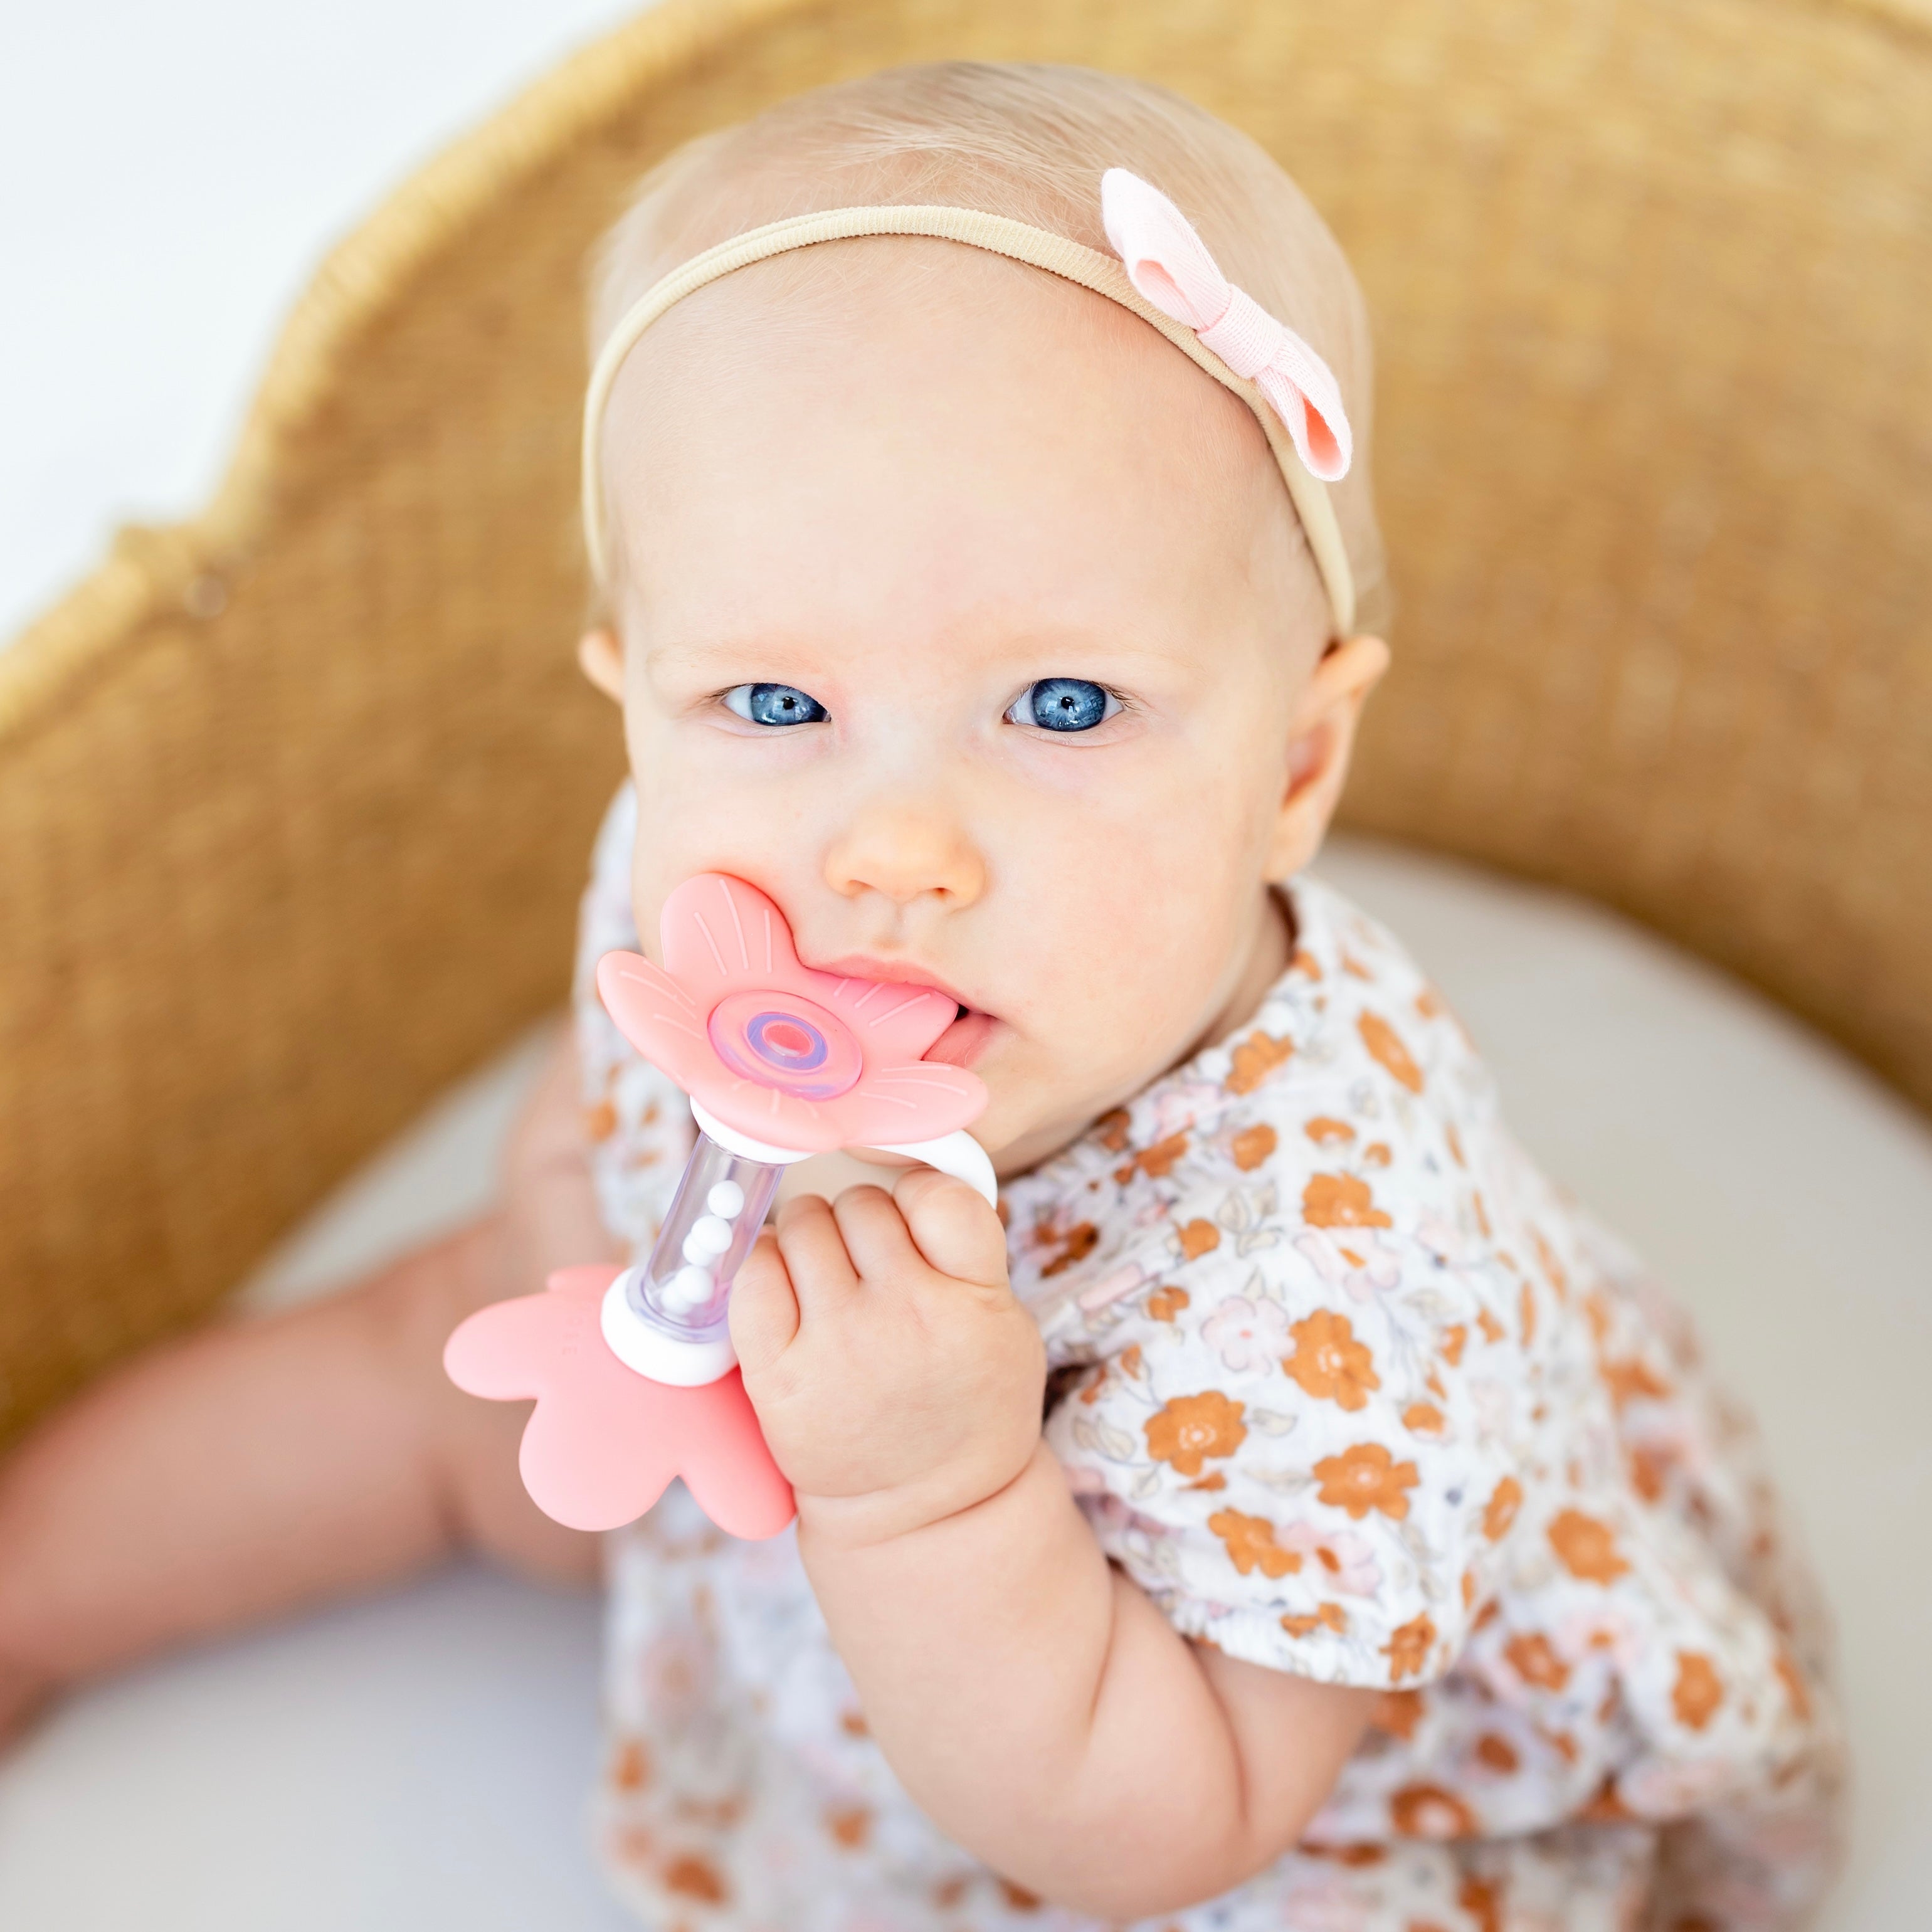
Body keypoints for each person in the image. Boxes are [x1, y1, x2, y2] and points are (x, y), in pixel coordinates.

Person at [0, 61, 1841, 1930]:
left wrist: (934, 1496)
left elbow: (1171, 1821)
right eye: (776, 706)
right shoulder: (712, 853)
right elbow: (570, 1151)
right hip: (733, 1432)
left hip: (1214, 1788)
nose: (891, 848)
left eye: (1059, 708)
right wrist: (576, 1193)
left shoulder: (1322, 1281)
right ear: (638, 692)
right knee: (441, 1356)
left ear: (1294, 762)